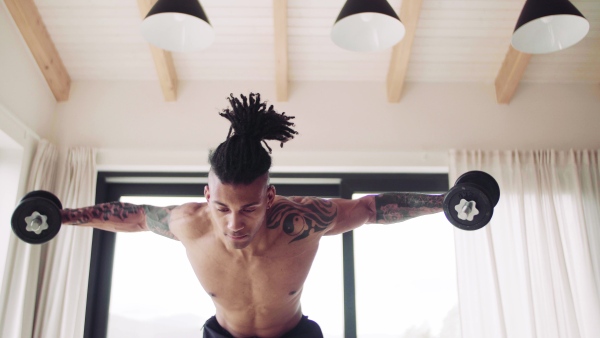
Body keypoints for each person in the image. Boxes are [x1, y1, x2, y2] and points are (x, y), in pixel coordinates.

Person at [61, 93, 445, 338]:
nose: (234, 223)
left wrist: (446, 202)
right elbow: (137, 216)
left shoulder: (304, 219)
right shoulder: (188, 223)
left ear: (270, 196)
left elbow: (369, 208)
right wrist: (61, 216)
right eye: (222, 207)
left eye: (249, 208)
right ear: (207, 195)